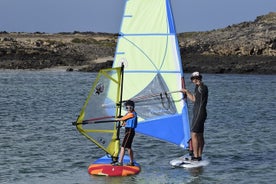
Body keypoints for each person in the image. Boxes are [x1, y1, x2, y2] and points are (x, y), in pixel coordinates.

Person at [182, 71, 208, 161]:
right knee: (199, 134)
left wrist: (199, 83)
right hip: (199, 113)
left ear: (198, 78)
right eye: (193, 79)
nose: (194, 80)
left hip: (199, 113)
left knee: (194, 134)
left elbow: (202, 88)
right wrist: (186, 92)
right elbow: (194, 99)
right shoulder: (197, 88)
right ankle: (199, 156)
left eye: (195, 78)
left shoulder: (202, 87)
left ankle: (196, 156)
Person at [114, 100, 138, 166]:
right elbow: (124, 120)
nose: (129, 109)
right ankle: (131, 162)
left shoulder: (132, 114)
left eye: (130, 108)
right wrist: (123, 122)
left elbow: (123, 118)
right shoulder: (128, 113)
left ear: (133, 108)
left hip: (129, 131)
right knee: (128, 148)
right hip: (129, 131)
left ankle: (120, 162)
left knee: (123, 147)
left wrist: (118, 119)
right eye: (127, 108)